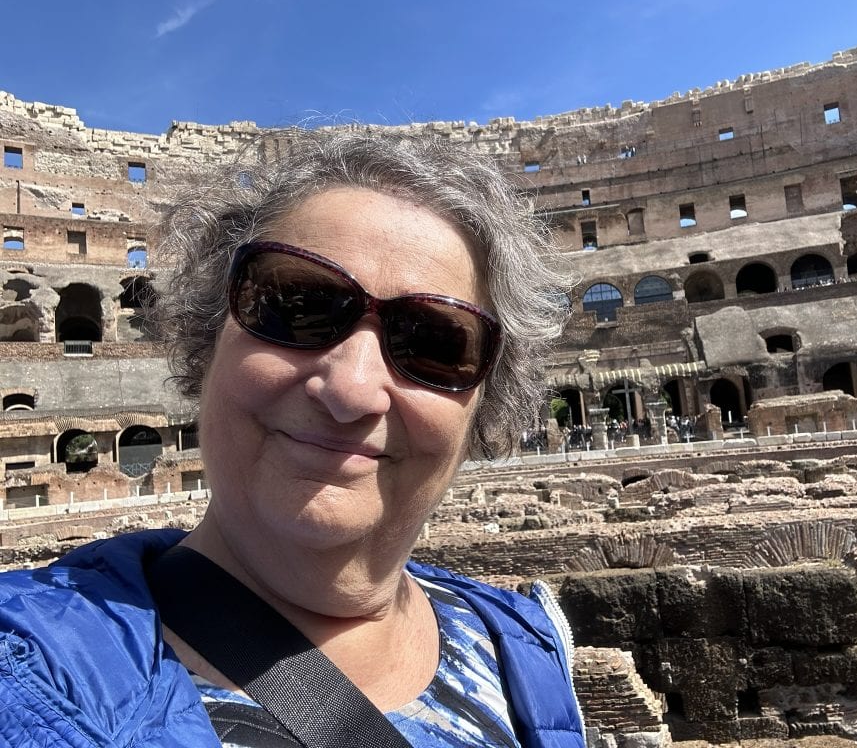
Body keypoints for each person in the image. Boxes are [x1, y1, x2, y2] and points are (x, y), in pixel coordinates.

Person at [0, 131, 585, 747]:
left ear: (485, 404)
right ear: (207, 343)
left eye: (435, 343)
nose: (352, 389)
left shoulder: (524, 646)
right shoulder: (31, 671)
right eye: (294, 307)